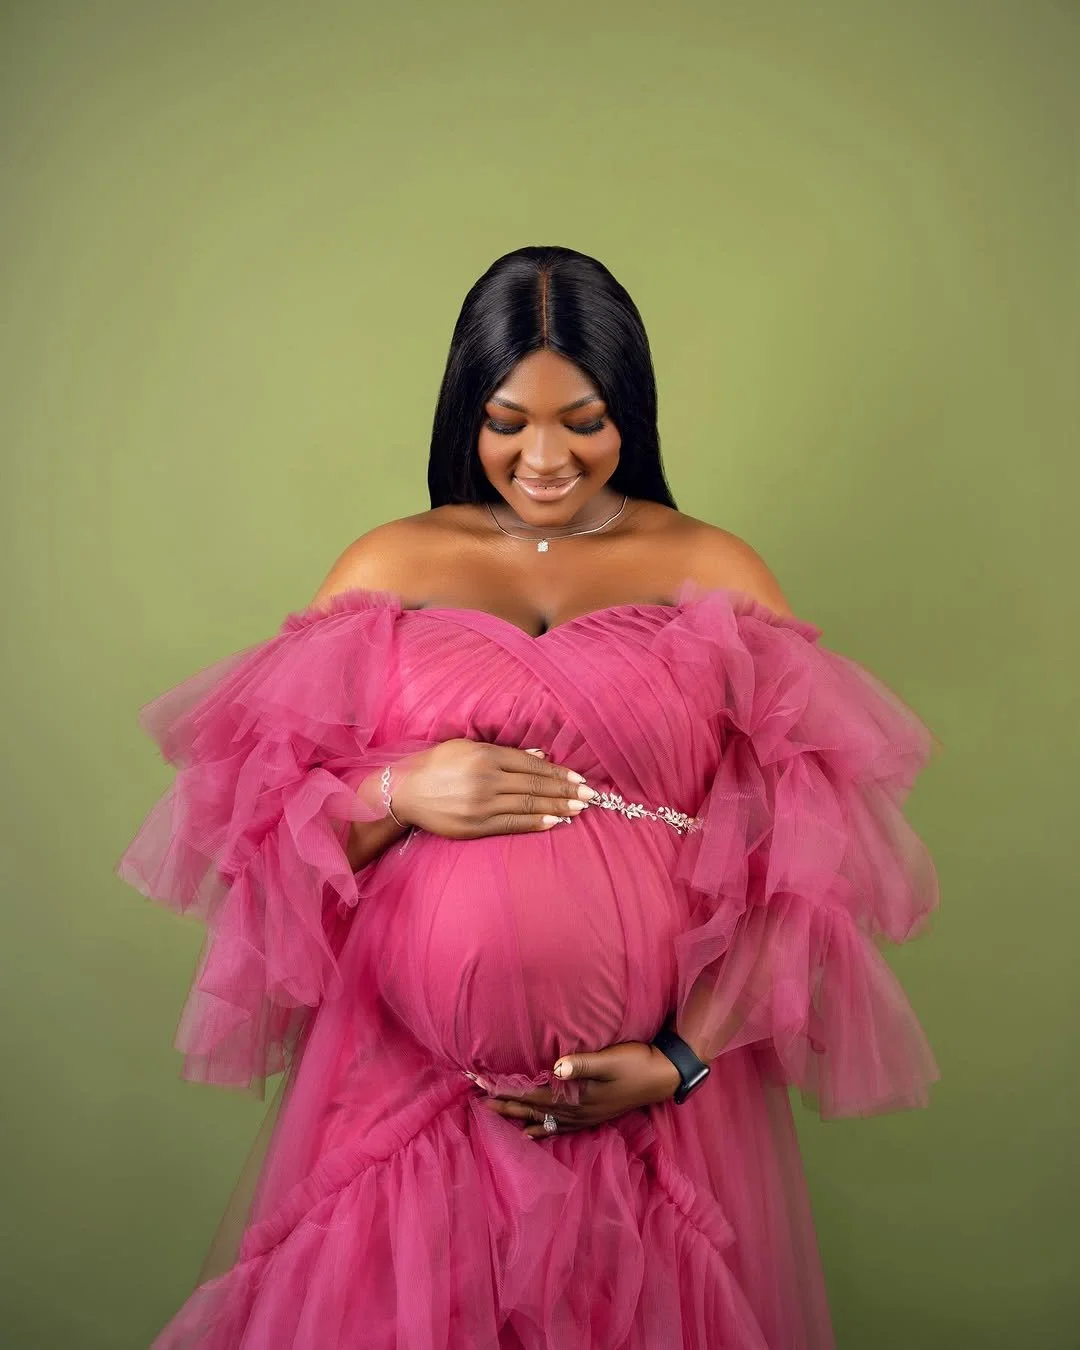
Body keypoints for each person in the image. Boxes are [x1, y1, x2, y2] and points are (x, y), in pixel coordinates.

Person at [116, 244, 941, 1350]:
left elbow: (798, 873)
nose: (543, 457)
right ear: (467, 410)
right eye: (508, 420)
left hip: (643, 1128)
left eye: (581, 419)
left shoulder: (714, 570)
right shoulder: (388, 567)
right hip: (406, 1109)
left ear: (629, 413)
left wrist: (679, 1060)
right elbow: (261, 825)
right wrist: (406, 786)